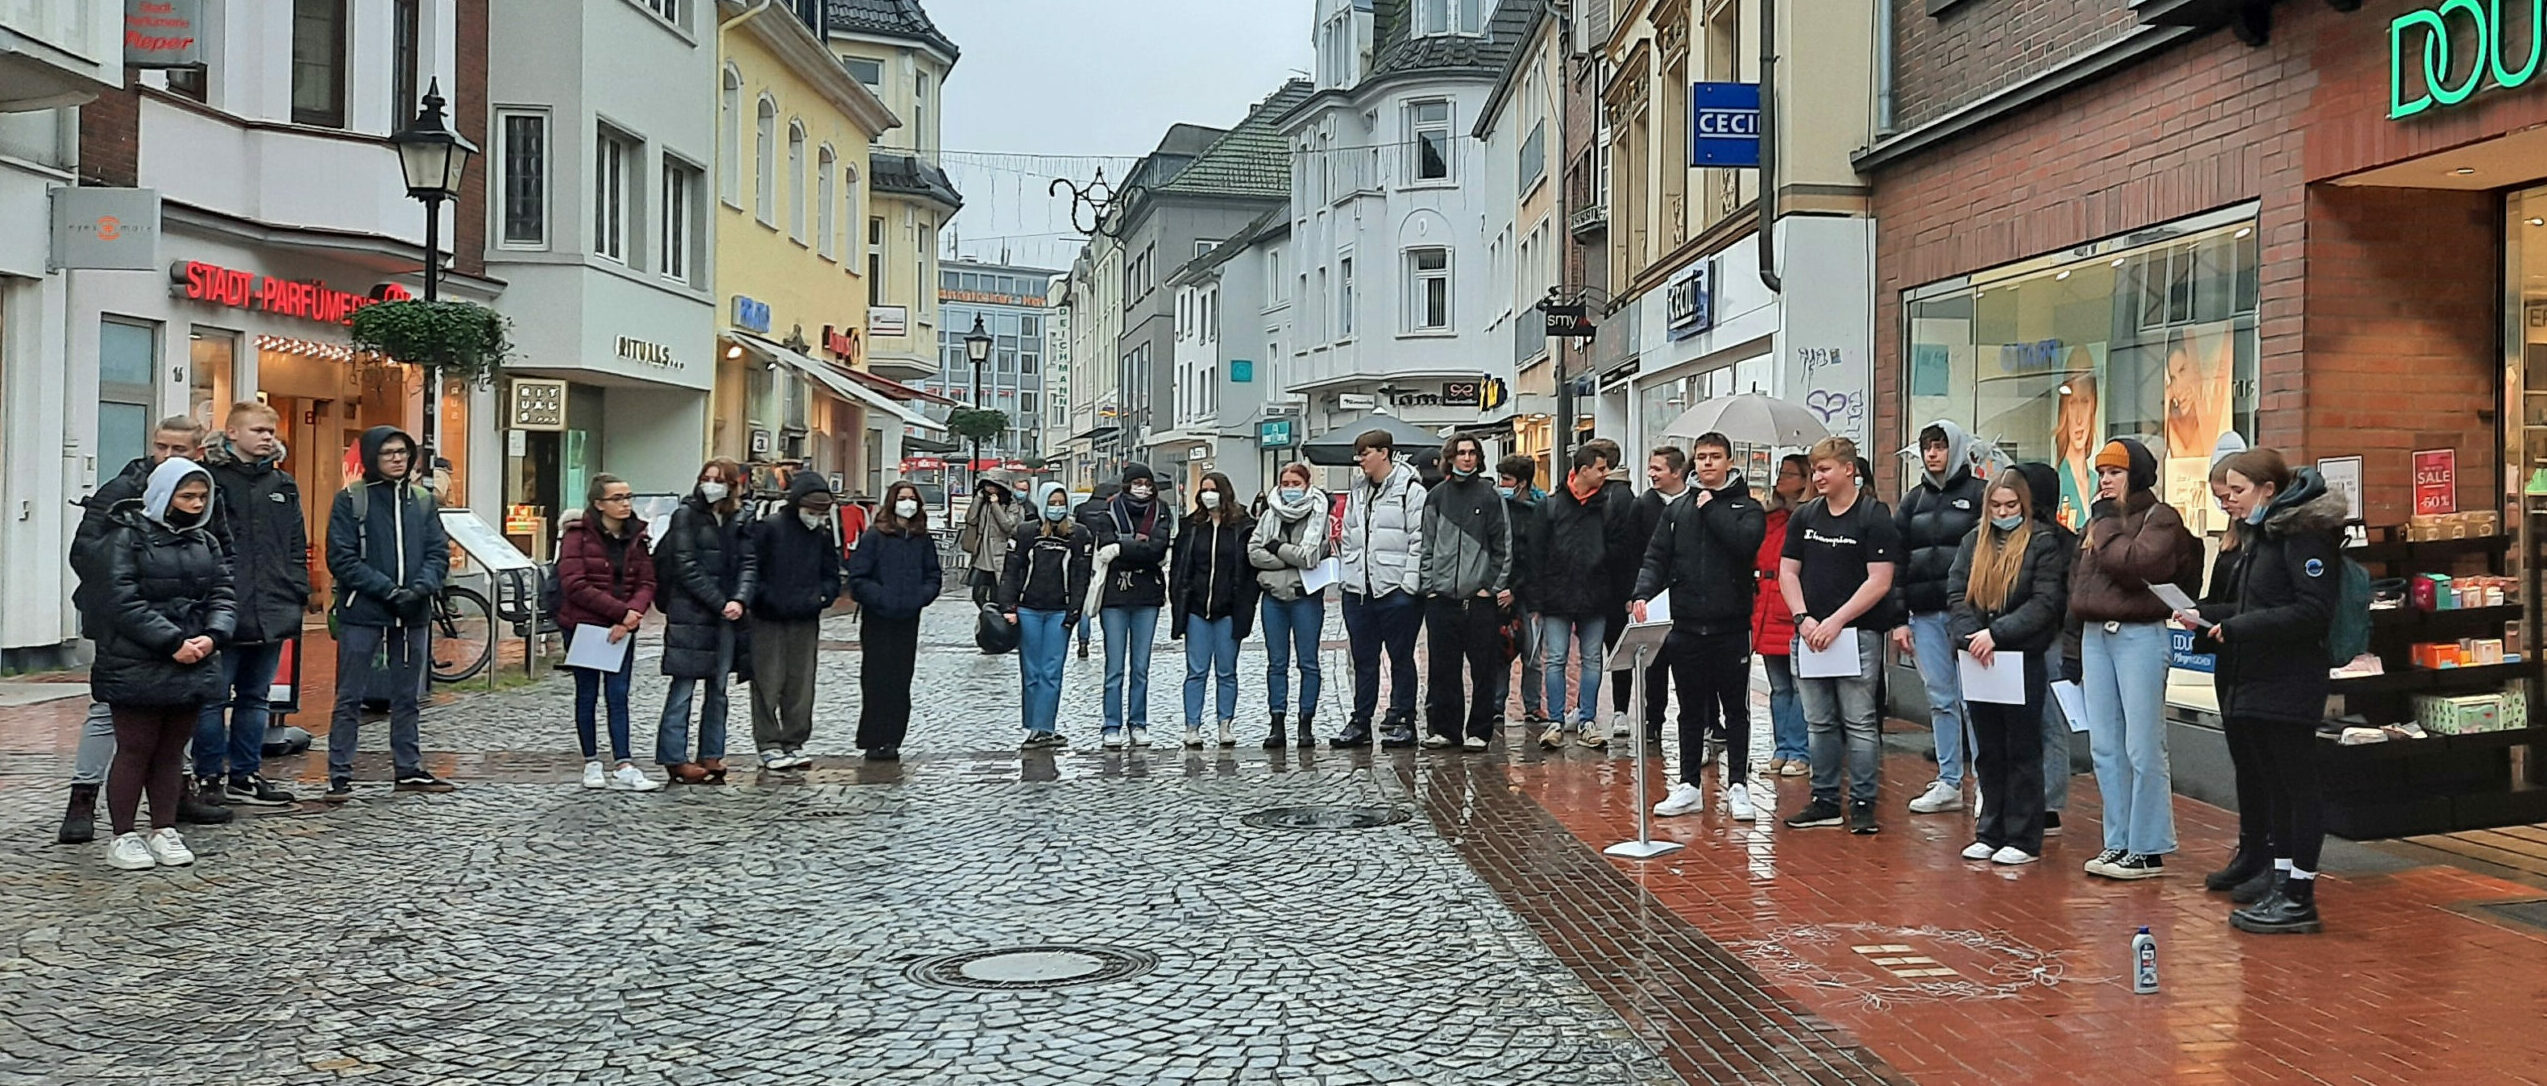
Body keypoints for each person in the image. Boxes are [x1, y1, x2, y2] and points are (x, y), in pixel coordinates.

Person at [57, 416, 229, 845]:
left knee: (173, 727)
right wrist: (150, 620)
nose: (166, 455)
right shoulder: (120, 492)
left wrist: (210, 629)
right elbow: (90, 558)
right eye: (161, 446)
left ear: (198, 453)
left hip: (187, 631)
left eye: (179, 449)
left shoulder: (205, 503)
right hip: (124, 627)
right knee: (111, 718)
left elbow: (222, 559)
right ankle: (84, 798)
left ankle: (170, 806)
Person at [2192, 450, 2343, 935]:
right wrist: (2207, 617)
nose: (2230, 501)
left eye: (2236, 491)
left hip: (2288, 680)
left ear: (2267, 490)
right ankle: (2279, 881)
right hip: (2253, 677)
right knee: (2273, 784)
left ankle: (2300, 894)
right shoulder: (2264, 535)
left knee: (2297, 785)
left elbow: (2312, 611)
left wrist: (2238, 628)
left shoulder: (2302, 535)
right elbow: (2253, 603)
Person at [92, 459, 236, 870]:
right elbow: (121, 601)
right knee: (135, 748)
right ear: (163, 495)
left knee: (173, 751)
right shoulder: (125, 538)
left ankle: (164, 827)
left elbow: (224, 592)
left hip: (194, 656)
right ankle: (122, 835)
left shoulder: (204, 541)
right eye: (186, 496)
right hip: (136, 659)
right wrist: (172, 642)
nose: (195, 504)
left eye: (202, 497)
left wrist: (213, 635)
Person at [2070, 437, 2202, 880]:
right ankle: (2118, 840)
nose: (2105, 481)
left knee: (2142, 744)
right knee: (2104, 744)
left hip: (2139, 634)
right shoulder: (2097, 520)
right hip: (2096, 635)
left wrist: (2105, 528)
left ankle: (2147, 846)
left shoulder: (2158, 517)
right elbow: (2080, 585)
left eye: (2116, 473)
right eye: (2102, 473)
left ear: (2137, 475)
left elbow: (2140, 564)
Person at [1632, 432, 1766, 819]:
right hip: (1687, 623)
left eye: (1715, 457)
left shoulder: (1746, 506)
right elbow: (1656, 556)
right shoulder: (1678, 508)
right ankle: (1688, 783)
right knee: (1689, 709)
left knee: (1735, 710)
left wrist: (1711, 509)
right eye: (1702, 457)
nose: (1707, 463)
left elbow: (1744, 545)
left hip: (1730, 624)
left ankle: (1738, 785)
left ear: (1729, 460)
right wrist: (1642, 592)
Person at [323, 426, 455, 801]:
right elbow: (342, 557)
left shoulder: (423, 501)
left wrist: (420, 588)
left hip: (412, 612)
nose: (397, 458)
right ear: (371, 458)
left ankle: (408, 767)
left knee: (407, 696)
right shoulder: (351, 499)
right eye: (388, 453)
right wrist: (388, 590)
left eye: (402, 452)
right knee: (350, 695)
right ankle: (340, 772)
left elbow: (437, 551)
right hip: (362, 611)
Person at [1779, 438, 1900, 836]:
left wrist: (1836, 621)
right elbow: (1788, 571)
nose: (1818, 476)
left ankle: (1863, 802)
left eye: (1825, 468)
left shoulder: (1873, 515)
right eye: (1815, 469)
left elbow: (1880, 580)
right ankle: (1824, 800)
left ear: (1849, 469)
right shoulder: (1806, 515)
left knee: (1860, 722)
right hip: (1810, 634)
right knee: (1819, 722)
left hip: (1857, 635)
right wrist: (1803, 618)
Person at [1947, 473, 2068, 866]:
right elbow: (1957, 593)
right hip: (1979, 658)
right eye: (1996, 506)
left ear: (2025, 506)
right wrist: (1971, 636)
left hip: (2020, 656)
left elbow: (2044, 602)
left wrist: (1997, 634)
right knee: (1988, 749)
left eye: (2010, 506)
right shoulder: (1973, 542)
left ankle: (2023, 835)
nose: (2002, 513)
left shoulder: (2042, 543)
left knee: (2022, 749)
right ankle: (1990, 829)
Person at [193, 402, 308, 809]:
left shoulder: (283, 484)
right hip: (221, 607)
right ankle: (208, 776)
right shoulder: (210, 482)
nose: (267, 437)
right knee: (212, 697)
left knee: (256, 697)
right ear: (232, 433)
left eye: (270, 431)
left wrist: (297, 589)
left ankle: (245, 773)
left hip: (273, 607)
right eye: (258, 430)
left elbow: (296, 543)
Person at [1894, 421, 1988, 817]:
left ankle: (1986, 781)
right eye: (1927, 447)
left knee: (1976, 701)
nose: (1933, 454)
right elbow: (1895, 561)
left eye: (1940, 446)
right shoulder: (1912, 501)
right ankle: (1949, 781)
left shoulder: (1981, 495)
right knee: (1941, 699)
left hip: (1969, 615)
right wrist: (1899, 618)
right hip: (1925, 615)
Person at [2198, 435, 2277, 903]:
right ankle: (2250, 848)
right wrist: (2198, 612)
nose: (2226, 503)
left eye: (2231, 494)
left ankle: (2269, 854)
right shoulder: (2232, 542)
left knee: (2265, 765)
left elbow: (2258, 604)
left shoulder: (2266, 541)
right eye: (2220, 497)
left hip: (2255, 658)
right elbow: (2220, 594)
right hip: (2229, 658)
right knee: (2244, 764)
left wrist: (2217, 614)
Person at [557, 474, 661, 792]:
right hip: (585, 626)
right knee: (587, 694)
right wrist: (620, 612)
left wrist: (631, 616)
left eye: (628, 496)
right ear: (599, 503)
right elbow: (574, 583)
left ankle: (625, 763)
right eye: (617, 498)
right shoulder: (577, 536)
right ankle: (591, 761)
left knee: (618, 695)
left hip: (623, 627)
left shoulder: (637, 536)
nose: (625, 503)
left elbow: (647, 581)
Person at [655, 459, 756, 784]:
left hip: (728, 615)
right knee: (683, 687)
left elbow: (749, 562)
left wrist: (739, 599)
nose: (711, 484)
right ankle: (674, 757)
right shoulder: (686, 515)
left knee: (720, 688)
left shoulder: (740, 517)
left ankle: (711, 753)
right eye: (706, 478)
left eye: (718, 479)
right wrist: (720, 602)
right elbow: (685, 565)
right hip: (691, 614)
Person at [1417, 435, 1512, 750]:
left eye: (1472, 453)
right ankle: (1447, 729)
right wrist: (1429, 586)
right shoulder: (1437, 497)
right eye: (1461, 453)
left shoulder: (1490, 496)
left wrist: (1490, 587)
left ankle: (1480, 731)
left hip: (1478, 600)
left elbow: (1503, 546)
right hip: (1442, 598)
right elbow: (1426, 544)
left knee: (1483, 668)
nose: (1467, 458)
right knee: (1443, 668)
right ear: (1451, 457)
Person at [1534, 445, 1631, 749]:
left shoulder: (1607, 505)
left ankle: (1587, 718)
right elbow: (1535, 553)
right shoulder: (1550, 506)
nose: (1605, 474)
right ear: (1583, 469)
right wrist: (1537, 598)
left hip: (1596, 594)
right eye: (1601, 468)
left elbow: (1618, 551)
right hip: (1558, 594)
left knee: (1591, 659)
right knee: (1557, 659)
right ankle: (1555, 721)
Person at [746, 472, 842, 771]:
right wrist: (764, 598)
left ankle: (794, 740)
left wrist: (824, 595)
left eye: (821, 513)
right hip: (768, 618)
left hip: (805, 617)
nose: (815, 518)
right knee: (767, 681)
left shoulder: (821, 535)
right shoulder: (768, 529)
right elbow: (752, 569)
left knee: (801, 684)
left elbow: (831, 572)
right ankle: (769, 743)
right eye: (812, 511)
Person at [1336, 431, 1427, 748]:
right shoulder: (1358, 492)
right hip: (1359, 591)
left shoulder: (1410, 490)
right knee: (1363, 659)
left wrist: (1408, 586)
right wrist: (1348, 578)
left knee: (1401, 658)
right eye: (1358, 454)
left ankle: (1404, 720)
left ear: (1384, 453)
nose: (1360, 460)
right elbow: (1348, 537)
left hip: (1396, 592)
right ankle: (1361, 721)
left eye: (1365, 453)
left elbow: (1420, 540)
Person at [2010, 461, 2083, 837]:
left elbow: (2063, 598)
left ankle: (2050, 802)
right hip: (2016, 637)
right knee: (2018, 722)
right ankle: (2021, 798)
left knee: (2050, 722)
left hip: (2049, 639)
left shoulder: (2063, 541)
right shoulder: (2010, 537)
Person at [847, 480, 941, 761]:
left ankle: (893, 739)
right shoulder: (875, 536)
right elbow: (858, 577)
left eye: (911, 498)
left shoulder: (922, 539)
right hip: (878, 618)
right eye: (902, 498)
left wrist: (919, 597)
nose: (907, 503)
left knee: (901, 680)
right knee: (876, 679)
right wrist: (880, 597)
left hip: (907, 618)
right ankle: (872, 738)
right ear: (892, 502)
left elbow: (933, 576)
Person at [1001, 482, 1094, 747]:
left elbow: (1081, 576)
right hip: (1028, 609)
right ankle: (1033, 727)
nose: (1057, 508)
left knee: (1052, 671)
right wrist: (1008, 605)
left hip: (1059, 611)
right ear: (1042, 504)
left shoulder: (1078, 534)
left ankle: (1045, 727)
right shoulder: (1025, 532)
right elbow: (1011, 570)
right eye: (1051, 503)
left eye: (1060, 503)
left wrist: (1074, 612)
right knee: (1031, 671)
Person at [1170, 472, 1257, 748]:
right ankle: (1192, 726)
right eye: (1204, 489)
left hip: (1228, 610)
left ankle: (1225, 724)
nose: (1208, 494)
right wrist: (1179, 599)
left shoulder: (1242, 527)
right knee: (1196, 671)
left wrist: (1244, 602)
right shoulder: (1192, 526)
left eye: (1213, 489)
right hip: (1197, 609)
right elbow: (1180, 567)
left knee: (1226, 670)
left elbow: (1248, 570)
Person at [1613, 447, 1691, 745]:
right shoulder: (1642, 505)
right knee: (1654, 663)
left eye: (1658, 468)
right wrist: (1634, 594)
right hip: (1653, 597)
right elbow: (1632, 553)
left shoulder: (1695, 502)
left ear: (1676, 471)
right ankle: (1653, 719)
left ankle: (1703, 721)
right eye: (1651, 467)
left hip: (1686, 596)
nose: (1651, 473)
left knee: (1690, 662)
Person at [1092, 464, 1174, 748]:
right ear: (1126, 485)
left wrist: (1122, 548)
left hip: (1147, 597)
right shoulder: (1108, 511)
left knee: (1140, 666)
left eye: (1146, 483)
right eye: (1137, 482)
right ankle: (1111, 724)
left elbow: (1157, 550)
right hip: (1114, 597)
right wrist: (1137, 549)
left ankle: (1138, 723)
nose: (1142, 487)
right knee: (1114, 666)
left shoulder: (1161, 511)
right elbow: (1105, 546)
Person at [1249, 463, 1331, 748]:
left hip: (1305, 597)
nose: (1290, 488)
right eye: (1285, 482)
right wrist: (1287, 558)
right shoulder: (1269, 514)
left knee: (1308, 663)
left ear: (1307, 485)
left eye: (1296, 483)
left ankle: (1305, 724)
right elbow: (1254, 553)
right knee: (1276, 664)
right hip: (1273, 598)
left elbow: (1311, 556)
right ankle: (1277, 723)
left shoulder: (1320, 516)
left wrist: (1277, 548)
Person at [1756, 454, 1811, 776]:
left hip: (1790, 610)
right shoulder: (1771, 519)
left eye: (1789, 473)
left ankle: (1798, 749)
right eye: (1781, 472)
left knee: (1798, 684)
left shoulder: (1806, 520)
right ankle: (1782, 747)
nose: (1780, 478)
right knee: (1779, 687)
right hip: (1766, 609)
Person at [1495, 455, 1546, 727]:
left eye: (1507, 479)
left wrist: (1515, 589)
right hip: (1501, 590)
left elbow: (1535, 557)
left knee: (1532, 653)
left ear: (1522, 482)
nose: (1501, 484)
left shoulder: (1538, 511)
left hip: (1528, 593)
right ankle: (1496, 705)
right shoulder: (1497, 508)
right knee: (1500, 651)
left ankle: (1533, 705)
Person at [959, 473, 1023, 609]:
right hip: (981, 555)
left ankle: (995, 619)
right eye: (987, 486)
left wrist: (996, 506)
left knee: (997, 594)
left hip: (999, 555)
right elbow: (971, 519)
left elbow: (1008, 526)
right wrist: (978, 499)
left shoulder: (1011, 505)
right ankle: (986, 614)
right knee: (978, 593)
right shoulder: (983, 502)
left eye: (992, 486)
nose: (989, 489)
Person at [1072, 483, 1119, 658]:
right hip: (1105, 557)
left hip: (1085, 557)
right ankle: (1111, 640)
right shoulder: (1111, 509)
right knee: (1105, 601)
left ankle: (1083, 641)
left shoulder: (1081, 509)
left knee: (1087, 602)